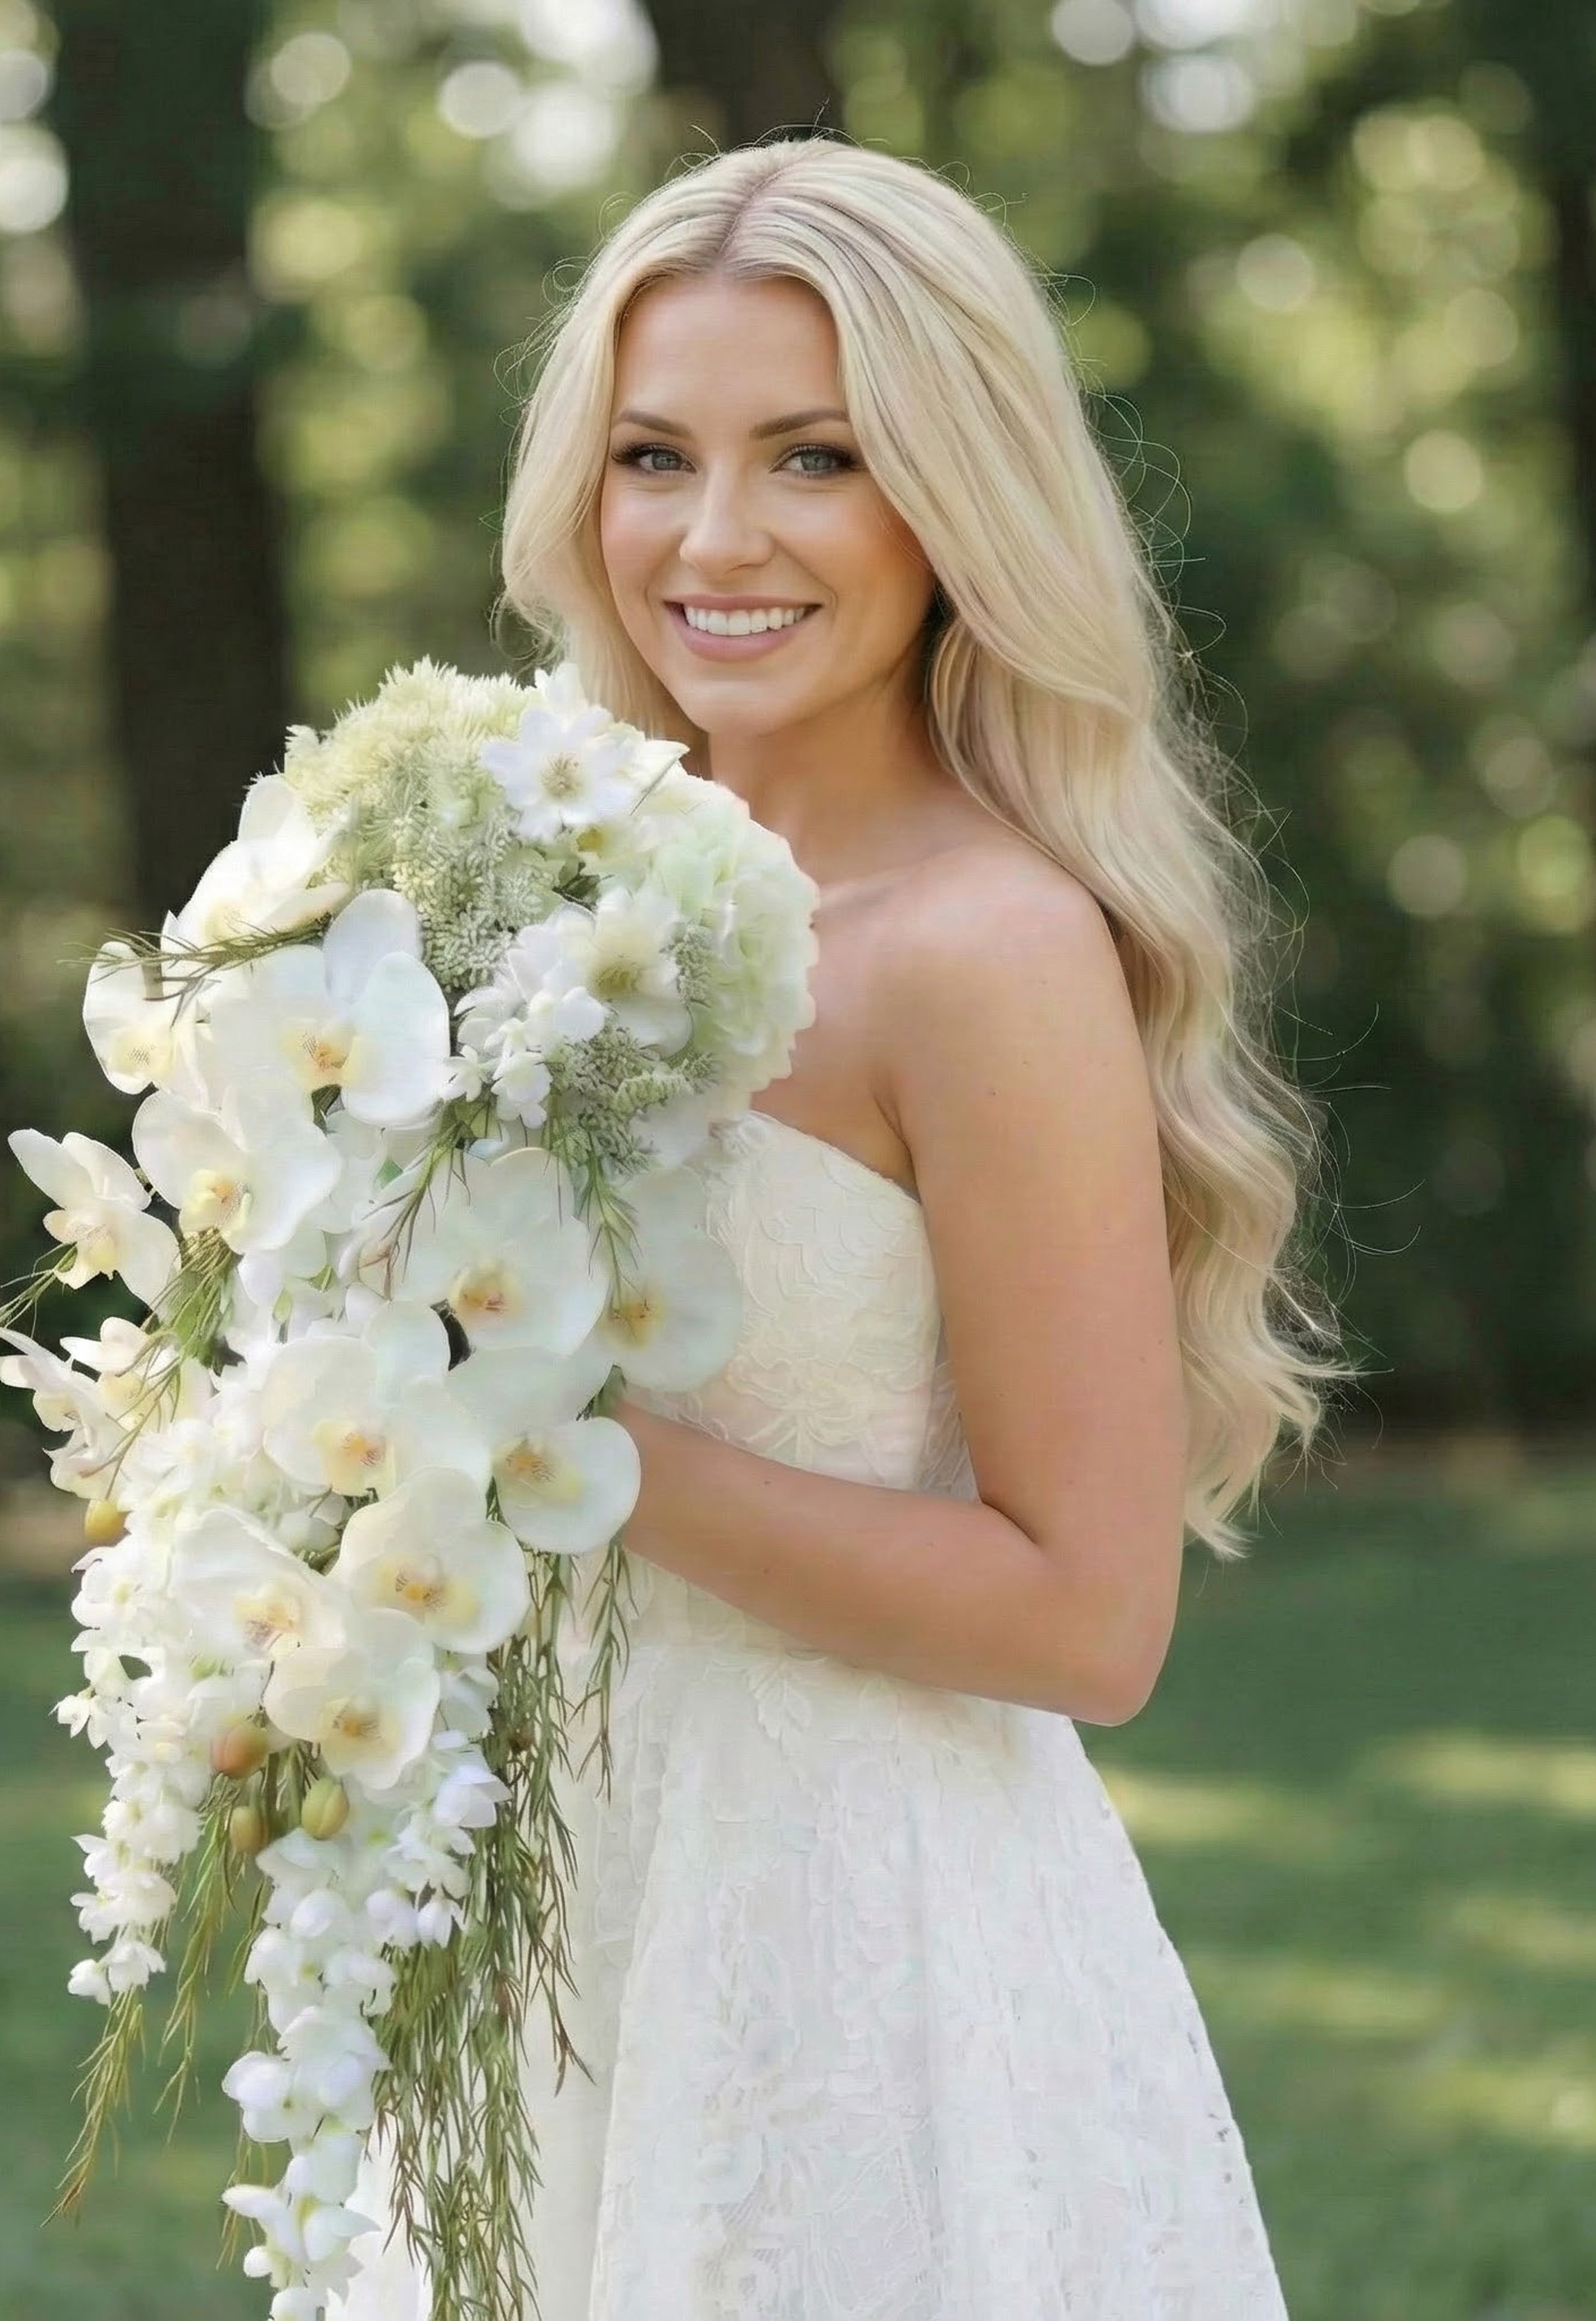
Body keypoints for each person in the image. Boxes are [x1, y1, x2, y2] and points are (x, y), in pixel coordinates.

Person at [334, 135, 1343, 2320]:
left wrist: (548, 1451)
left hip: (852, 1937)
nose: (716, 539)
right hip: (542, 1906)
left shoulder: (983, 949)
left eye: (816, 458)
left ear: (949, 502)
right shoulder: (532, 910)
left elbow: (1094, 1618)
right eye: (653, 457)